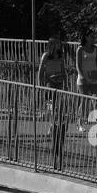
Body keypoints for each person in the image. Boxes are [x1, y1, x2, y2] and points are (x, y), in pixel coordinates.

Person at [38, 31, 71, 165]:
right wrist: (41, 86)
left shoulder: (61, 56)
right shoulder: (46, 56)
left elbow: (64, 71)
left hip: (59, 83)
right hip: (49, 84)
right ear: (51, 45)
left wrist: (66, 84)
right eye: (56, 44)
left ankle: (58, 123)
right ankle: (53, 123)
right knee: (53, 107)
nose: (58, 46)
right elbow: (41, 71)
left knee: (61, 108)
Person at [75, 27, 97, 131]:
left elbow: (96, 63)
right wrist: (82, 76)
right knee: (84, 101)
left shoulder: (95, 49)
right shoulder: (80, 49)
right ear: (85, 37)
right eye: (91, 36)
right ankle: (79, 123)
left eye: (93, 36)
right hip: (83, 79)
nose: (93, 38)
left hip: (94, 77)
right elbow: (78, 65)